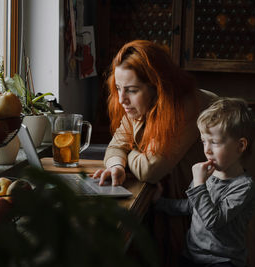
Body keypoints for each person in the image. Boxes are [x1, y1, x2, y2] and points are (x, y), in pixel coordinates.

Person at [92, 40, 217, 266]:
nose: (122, 99)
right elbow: (115, 145)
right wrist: (116, 166)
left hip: (251, 167)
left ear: (157, 86)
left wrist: (129, 149)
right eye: (118, 88)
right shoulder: (140, 105)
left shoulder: (185, 106)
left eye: (131, 90)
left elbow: (151, 170)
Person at [153, 97, 255, 267]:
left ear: (240, 146)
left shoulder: (244, 187)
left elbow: (213, 222)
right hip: (191, 255)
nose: (207, 150)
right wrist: (159, 203)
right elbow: (190, 206)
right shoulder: (208, 175)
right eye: (204, 141)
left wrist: (199, 184)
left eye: (214, 142)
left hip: (223, 261)